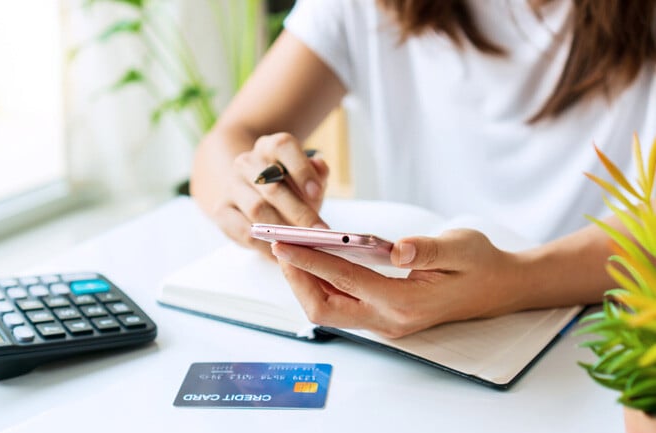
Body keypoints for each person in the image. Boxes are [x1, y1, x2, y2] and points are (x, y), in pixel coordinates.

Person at [190, 0, 656, 338]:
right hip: (413, 349)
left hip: (604, 345)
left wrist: (514, 282)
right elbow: (226, 143)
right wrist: (253, 197)